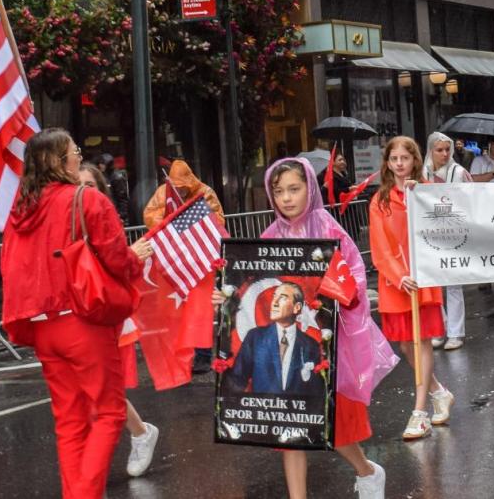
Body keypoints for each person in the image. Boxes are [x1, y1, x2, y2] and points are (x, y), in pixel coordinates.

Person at [216, 156, 394, 498]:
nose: (286, 198)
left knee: (336, 428)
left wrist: (340, 289)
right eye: (278, 191)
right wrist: (224, 298)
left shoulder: (328, 229)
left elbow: (354, 274)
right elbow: (249, 283)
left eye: (294, 189)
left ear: (309, 189)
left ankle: (367, 471)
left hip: (322, 348)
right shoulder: (268, 236)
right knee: (289, 431)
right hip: (279, 349)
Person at [1, 128, 143, 498]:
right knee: (110, 414)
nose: (79, 156)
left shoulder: (20, 212)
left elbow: (12, 268)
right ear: (58, 160)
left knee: (70, 422)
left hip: (41, 325)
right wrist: (136, 262)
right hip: (83, 319)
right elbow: (116, 258)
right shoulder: (86, 200)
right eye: (74, 151)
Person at [76, 165, 160, 478]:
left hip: (108, 316)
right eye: (77, 185)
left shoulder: (106, 224)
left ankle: (139, 433)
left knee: (103, 388)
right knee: (89, 388)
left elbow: (119, 269)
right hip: (78, 317)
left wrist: (131, 255)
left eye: (90, 185)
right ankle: (137, 434)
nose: (84, 191)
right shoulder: (66, 223)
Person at [368, 137, 455, 439]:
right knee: (406, 344)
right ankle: (438, 391)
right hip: (396, 282)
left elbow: (447, 225)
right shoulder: (379, 201)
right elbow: (379, 247)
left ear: (415, 160)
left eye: (405, 158)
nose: (400, 163)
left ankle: (420, 412)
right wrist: (397, 275)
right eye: (394, 159)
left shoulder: (425, 192)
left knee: (422, 342)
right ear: (388, 163)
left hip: (424, 277)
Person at [143, 159, 225, 373]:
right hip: (176, 261)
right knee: (177, 310)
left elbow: (217, 221)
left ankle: (203, 356)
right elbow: (150, 215)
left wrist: (188, 223)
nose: (180, 189)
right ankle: (182, 355)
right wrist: (171, 224)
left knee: (201, 311)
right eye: (176, 185)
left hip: (202, 262)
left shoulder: (205, 192)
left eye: (183, 185)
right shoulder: (163, 192)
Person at [226, 283, 326, 396]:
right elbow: (236, 381)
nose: (275, 302)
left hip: (295, 412)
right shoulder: (255, 338)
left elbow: (316, 392)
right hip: (260, 410)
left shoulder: (310, 345)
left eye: (282, 298)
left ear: (297, 307)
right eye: (274, 297)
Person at [423, 132, 473, 351]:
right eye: (439, 150)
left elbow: (474, 198)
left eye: (447, 150)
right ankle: (438, 328)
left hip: (454, 234)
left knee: (453, 284)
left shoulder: (459, 172)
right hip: (428, 234)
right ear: (430, 151)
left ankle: (455, 332)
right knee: (432, 285)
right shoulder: (421, 173)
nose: (444, 154)